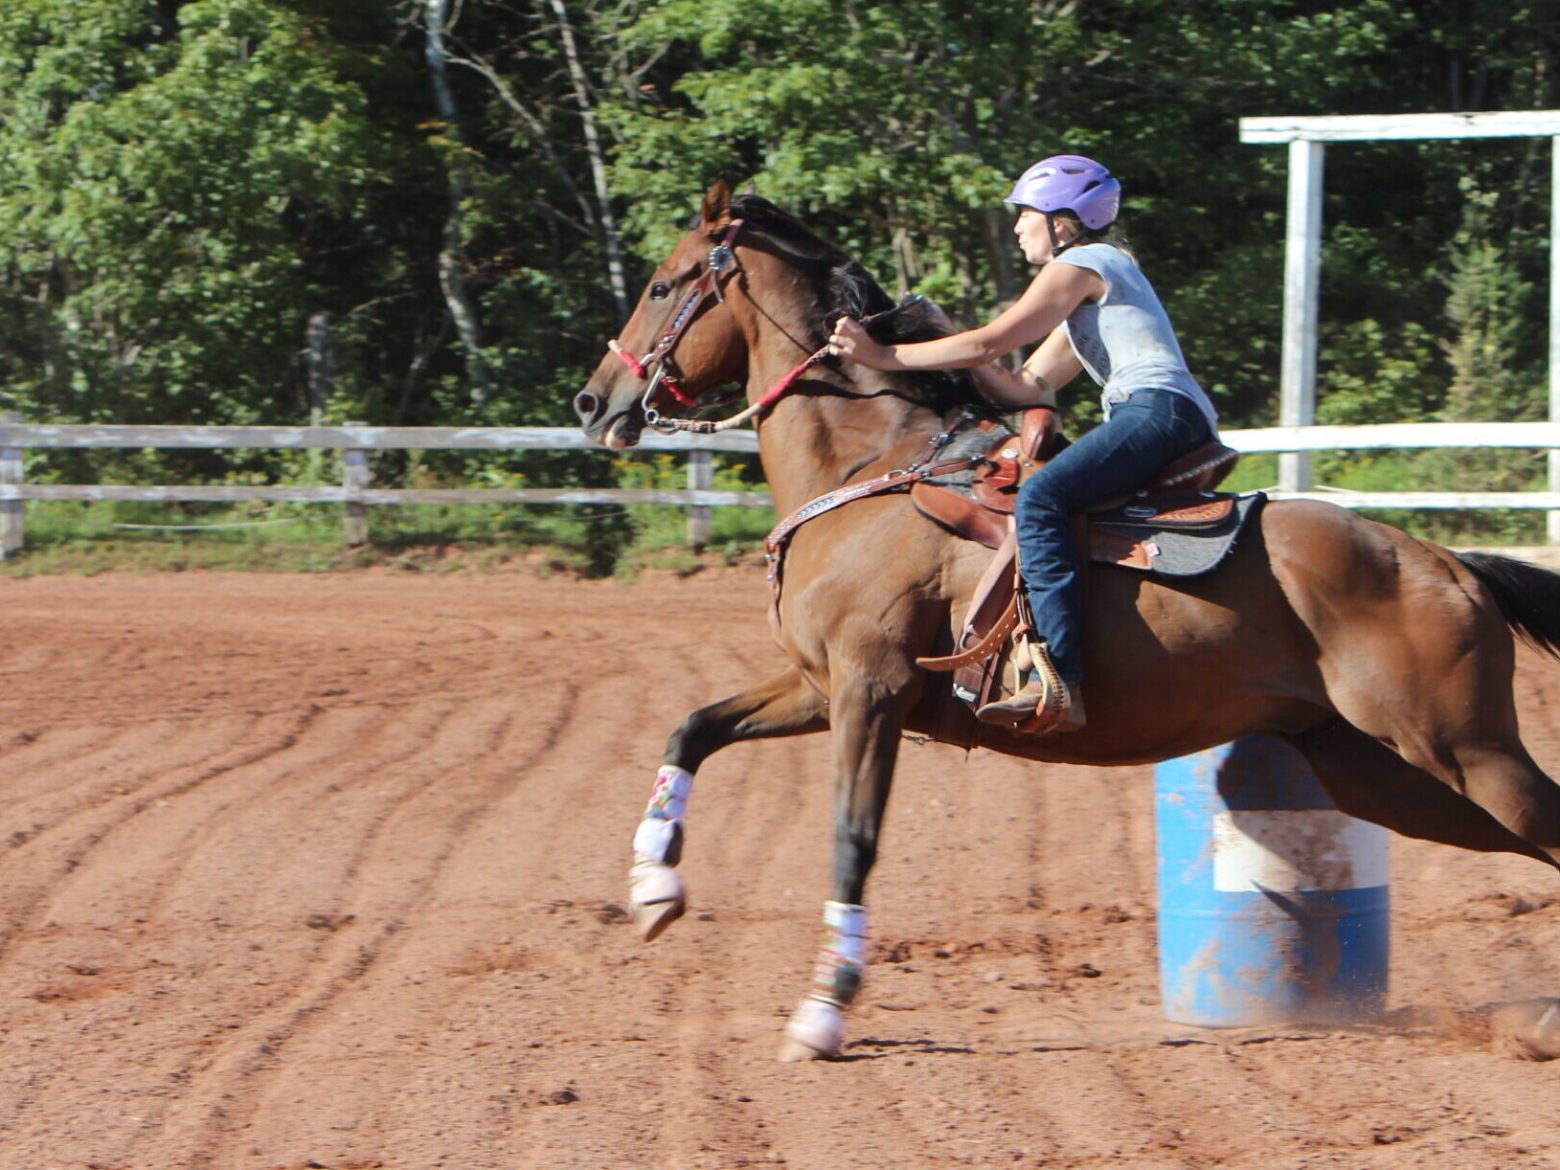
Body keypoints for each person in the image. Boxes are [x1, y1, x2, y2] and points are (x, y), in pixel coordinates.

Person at [827, 154, 1219, 733]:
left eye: (1025, 215)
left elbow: (987, 345)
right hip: (1166, 413)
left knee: (1040, 501)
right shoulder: (1096, 286)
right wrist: (943, 337)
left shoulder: (1083, 262)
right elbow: (1022, 385)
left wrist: (883, 357)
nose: (1017, 228)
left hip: (1158, 410)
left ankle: (1057, 676)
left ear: (1062, 223)